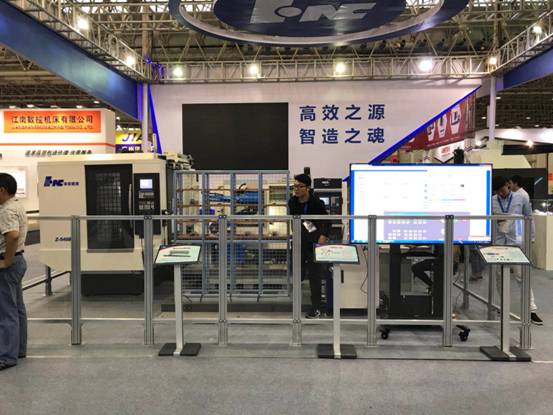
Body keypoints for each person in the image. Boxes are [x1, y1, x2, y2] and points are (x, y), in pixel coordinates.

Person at [492, 176, 542, 325]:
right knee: (500, 276)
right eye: (498, 192)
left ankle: (531, 310)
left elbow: (529, 218)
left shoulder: (521, 198)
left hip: (516, 243)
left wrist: (531, 238)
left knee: (522, 276)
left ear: (508, 185)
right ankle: (503, 306)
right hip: (499, 243)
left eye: (502, 190)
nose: (501, 194)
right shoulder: (492, 201)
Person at [288, 174, 330, 319]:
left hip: (313, 243)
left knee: (314, 276)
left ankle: (316, 308)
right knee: (297, 275)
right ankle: (296, 306)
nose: (296, 189)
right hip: (298, 243)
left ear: (307, 188)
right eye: (295, 186)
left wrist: (322, 238)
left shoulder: (316, 203)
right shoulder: (292, 202)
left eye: (300, 186)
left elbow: (327, 222)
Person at [0, 173, 28, 370]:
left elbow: (13, 235)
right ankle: (18, 349)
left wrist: (6, 261)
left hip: (9, 263)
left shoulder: (7, 210)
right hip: (19, 261)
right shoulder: (17, 205)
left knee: (6, 311)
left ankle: (6, 357)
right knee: (17, 308)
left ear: (2, 190)